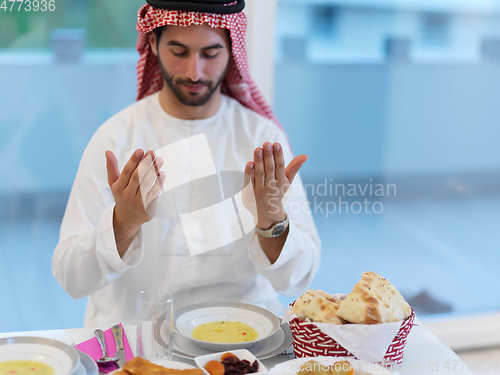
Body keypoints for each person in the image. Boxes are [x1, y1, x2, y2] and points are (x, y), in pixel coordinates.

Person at [52, 0, 321, 328]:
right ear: (153, 43)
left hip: (243, 340)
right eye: (179, 52)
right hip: (138, 342)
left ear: (232, 48)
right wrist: (122, 225)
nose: (195, 71)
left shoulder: (262, 138)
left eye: (210, 54)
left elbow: (298, 280)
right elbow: (71, 278)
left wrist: (271, 222)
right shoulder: (116, 139)